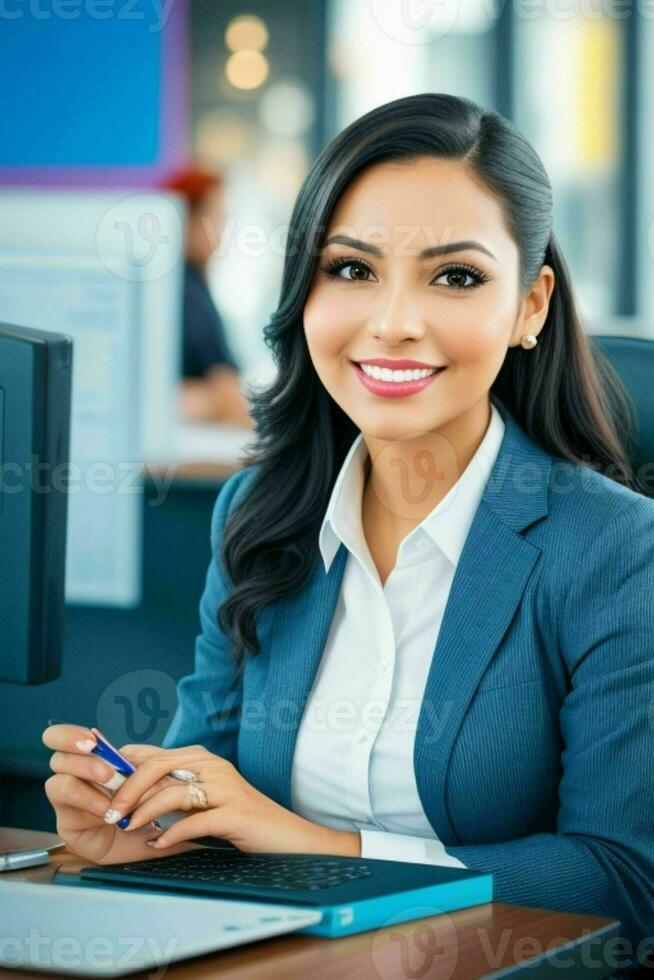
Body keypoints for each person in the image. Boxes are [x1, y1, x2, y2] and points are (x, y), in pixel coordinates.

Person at [43, 94, 654, 967]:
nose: (393, 320)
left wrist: (314, 849)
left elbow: (621, 878)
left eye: (456, 277)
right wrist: (141, 821)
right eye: (351, 269)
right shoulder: (261, 512)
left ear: (530, 306)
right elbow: (203, 781)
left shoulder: (616, 552)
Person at [163, 163, 253, 429]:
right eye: (218, 216)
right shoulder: (184, 288)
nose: (224, 230)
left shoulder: (194, 284)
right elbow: (224, 386)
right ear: (186, 220)